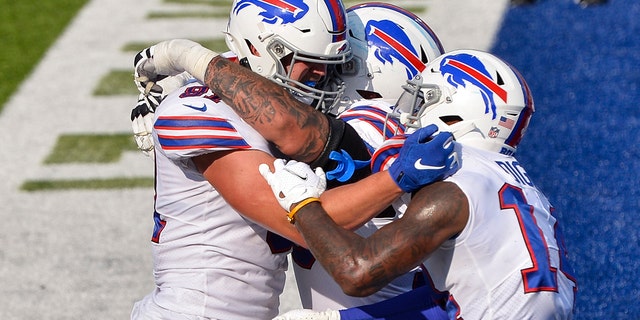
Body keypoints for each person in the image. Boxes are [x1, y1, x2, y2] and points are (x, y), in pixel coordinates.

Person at [129, 1, 459, 319]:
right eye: (311, 63)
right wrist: (177, 87)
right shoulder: (199, 112)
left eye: (333, 68)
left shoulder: (368, 123)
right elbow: (306, 221)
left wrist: (184, 67)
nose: (323, 77)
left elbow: (289, 135)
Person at [259, 50, 578, 319]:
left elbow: (357, 273)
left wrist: (302, 203)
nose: (407, 116)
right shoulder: (520, 187)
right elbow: (446, 300)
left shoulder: (452, 187)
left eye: (422, 101)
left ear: (457, 113)